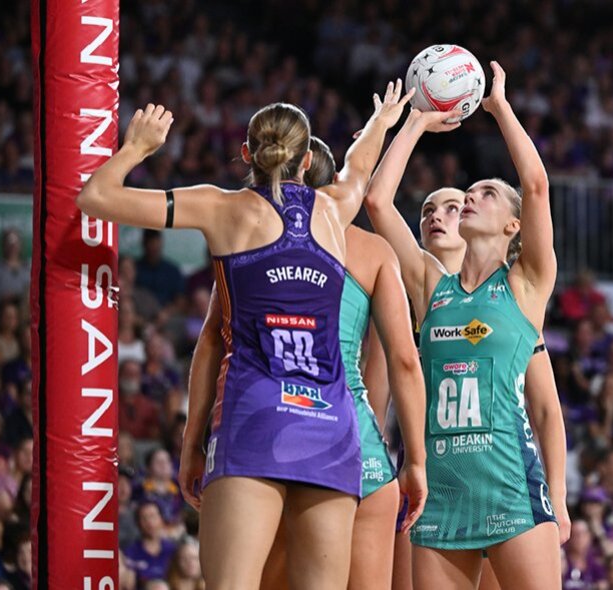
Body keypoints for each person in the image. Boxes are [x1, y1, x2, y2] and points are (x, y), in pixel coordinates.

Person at [78, 82, 411, 589]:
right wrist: (382, 122)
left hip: (255, 423)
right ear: (305, 165)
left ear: (245, 155)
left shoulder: (220, 208)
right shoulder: (333, 210)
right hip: (331, 430)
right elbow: (358, 168)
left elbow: (96, 198)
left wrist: (137, 147)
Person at [181, 136, 428, 590]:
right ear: (335, 188)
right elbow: (400, 362)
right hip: (353, 442)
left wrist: (193, 440)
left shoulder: (249, 243)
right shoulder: (372, 251)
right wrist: (415, 458)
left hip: (267, 436)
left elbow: (212, 343)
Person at [364, 60, 565, 589]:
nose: (470, 198)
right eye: (467, 194)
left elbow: (538, 184)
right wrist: (413, 124)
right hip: (441, 494)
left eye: (486, 194)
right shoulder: (433, 288)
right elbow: (377, 203)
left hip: (510, 490)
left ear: (513, 224)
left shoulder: (526, 285)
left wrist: (500, 108)